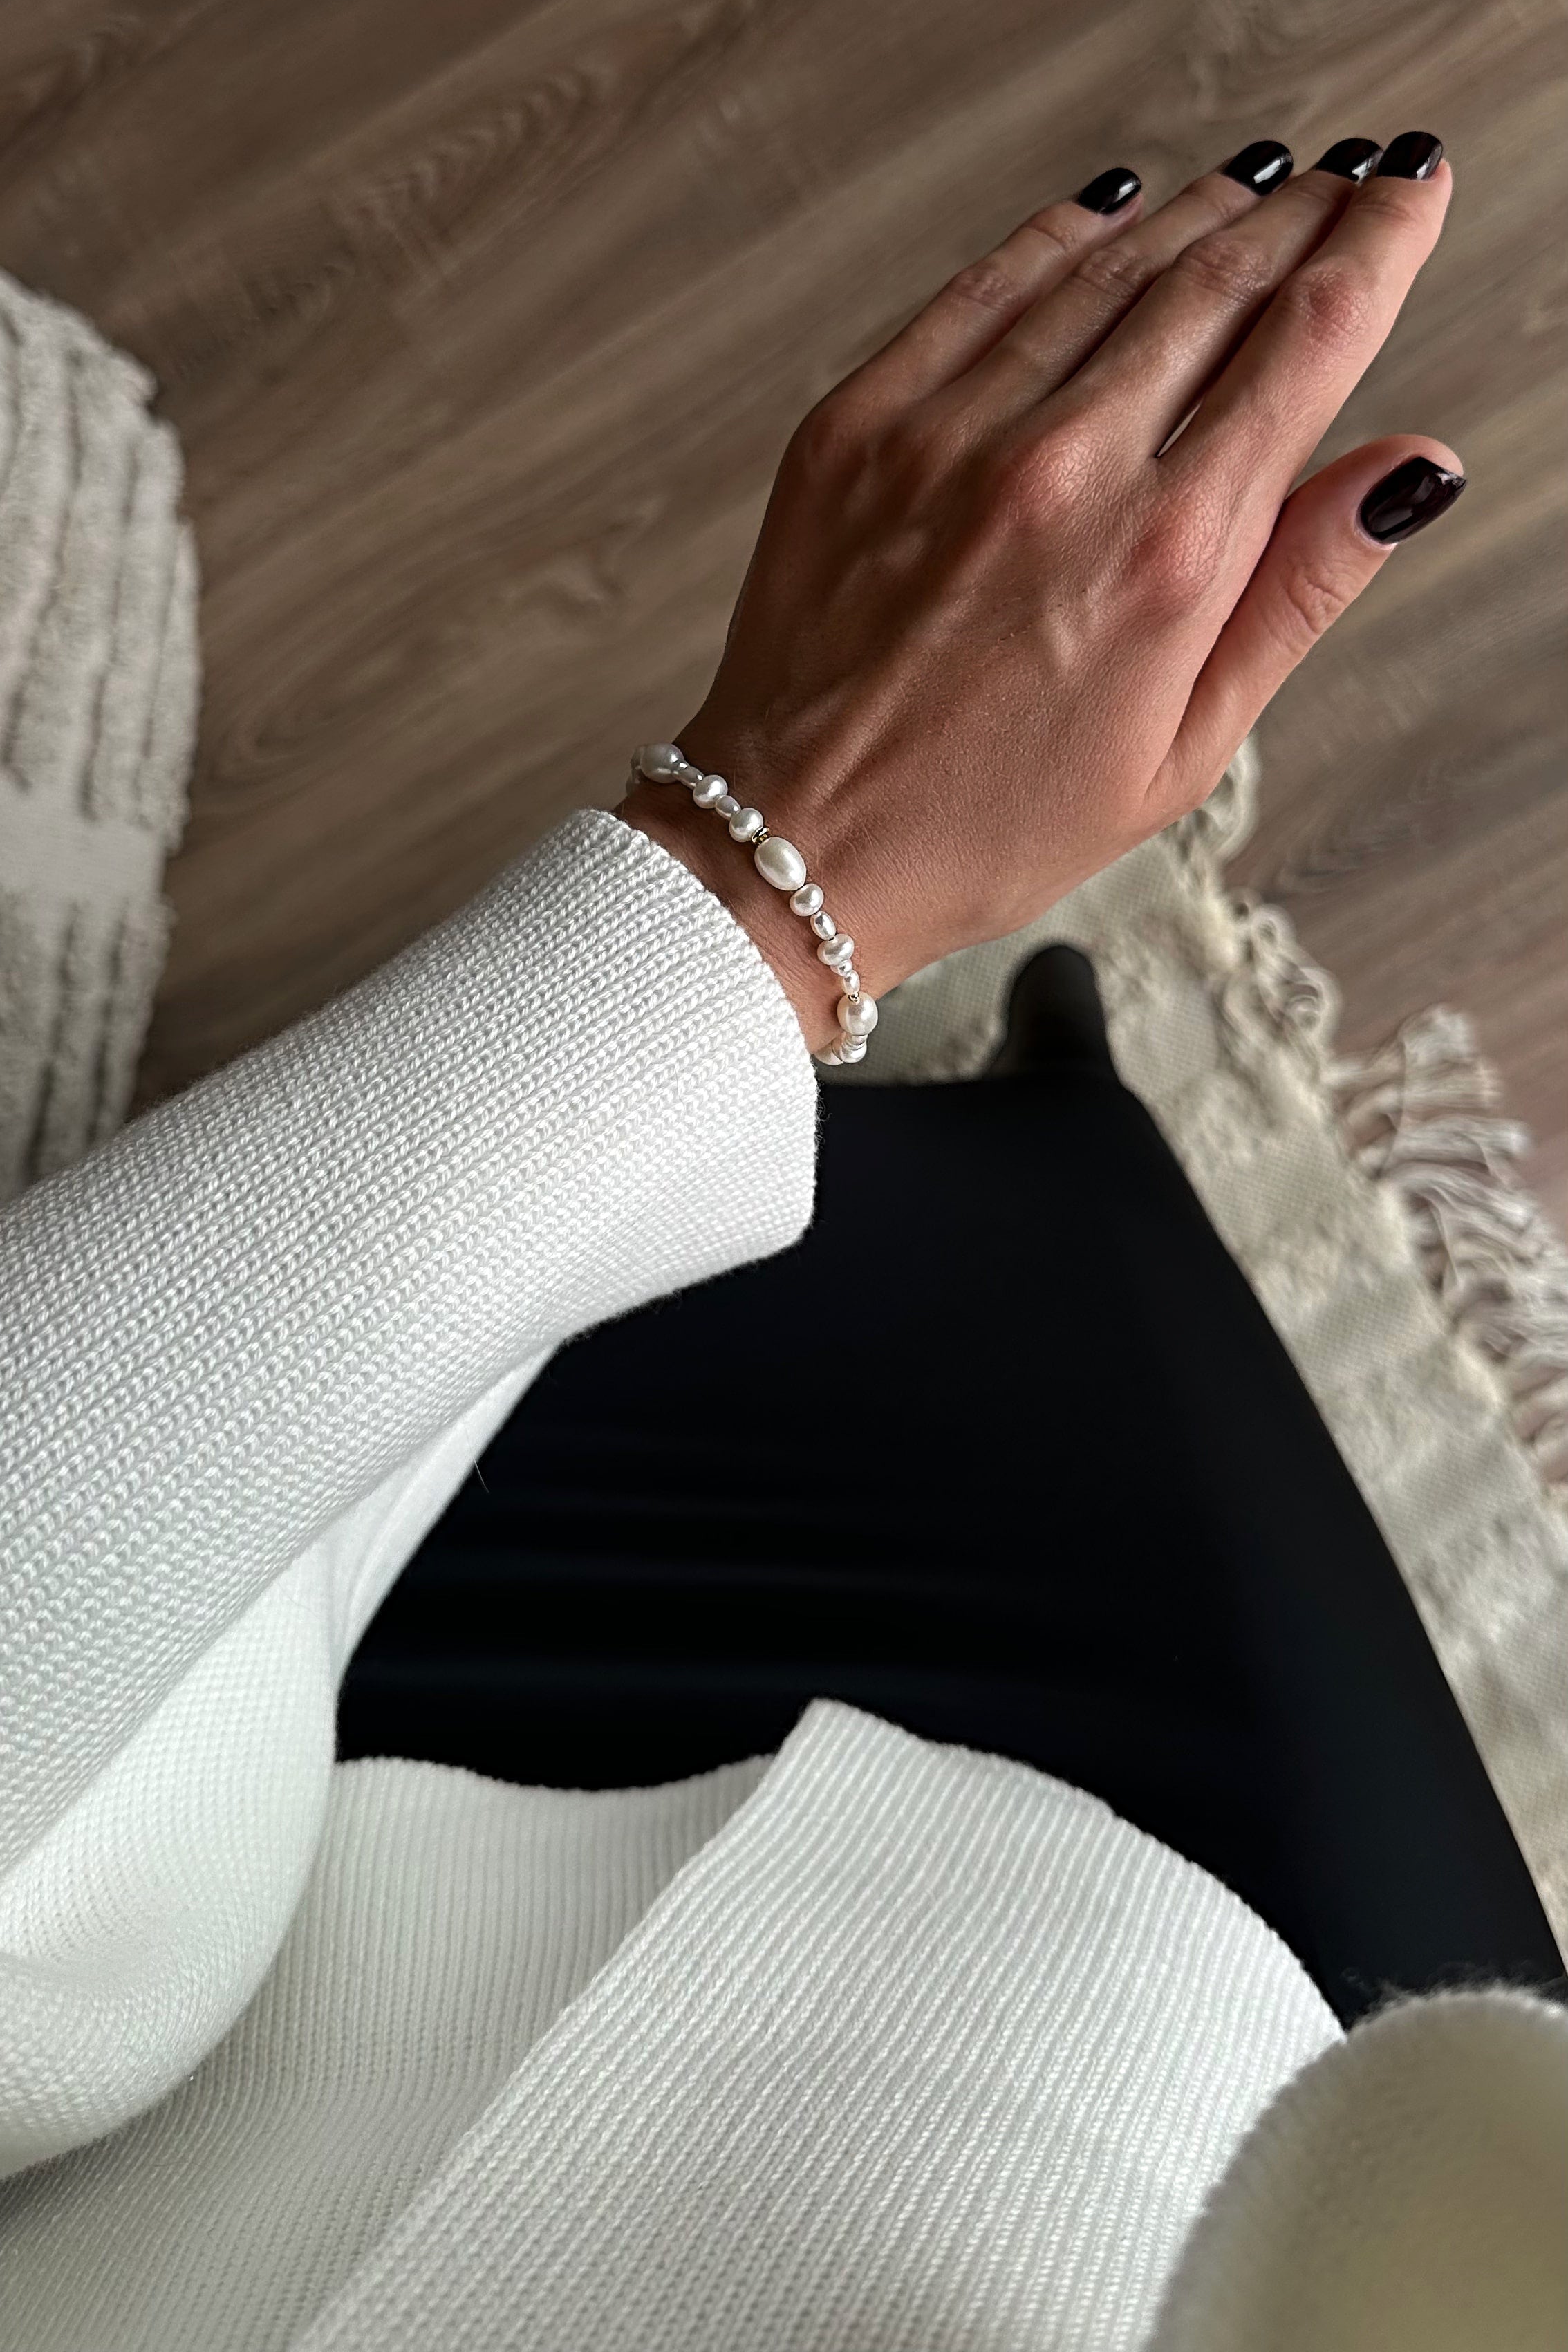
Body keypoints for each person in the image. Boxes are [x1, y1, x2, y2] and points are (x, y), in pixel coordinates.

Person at [2, 129, 1564, 2351]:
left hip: (361, 2030)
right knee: (1083, 1238)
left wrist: (766, 880)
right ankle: (999, 1082)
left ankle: (927, 1079)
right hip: (1274, 2096)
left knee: (975, 1230)